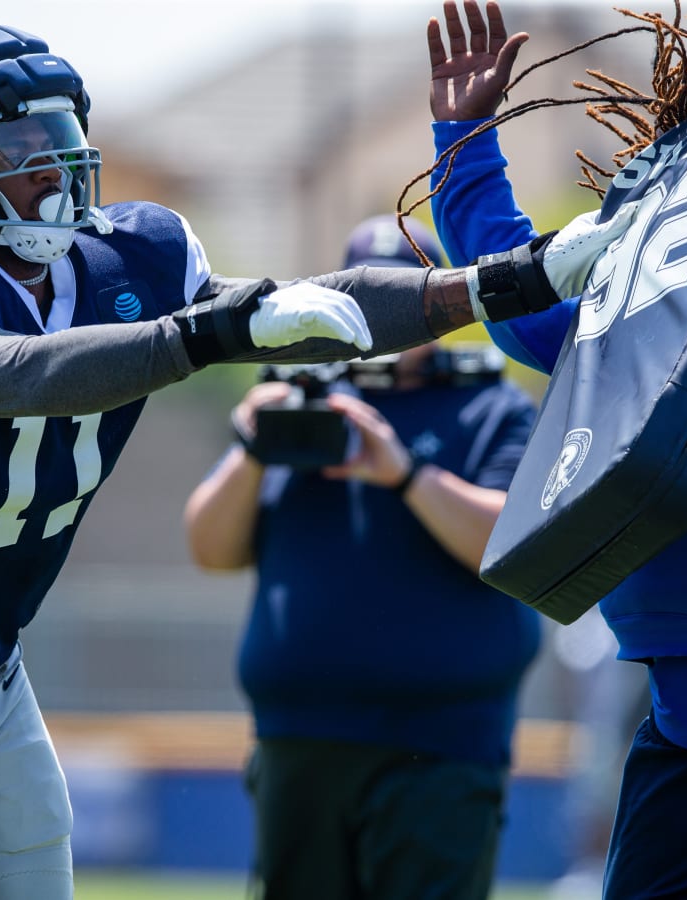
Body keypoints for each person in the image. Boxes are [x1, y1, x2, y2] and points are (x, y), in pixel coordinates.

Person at [0, 21, 633, 899]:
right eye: (23, 143)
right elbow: (20, 375)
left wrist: (512, 278)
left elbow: (320, 307)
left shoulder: (126, 257)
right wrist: (208, 331)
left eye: (65, 134)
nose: (59, 163)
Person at [425, 2, 687, 896]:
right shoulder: (675, 286)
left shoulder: (679, 282)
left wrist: (464, 139)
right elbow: (527, 304)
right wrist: (462, 136)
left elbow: (519, 302)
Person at [182, 214, 541, 900]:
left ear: (435, 308)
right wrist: (256, 447)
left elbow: (510, 543)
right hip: (299, 740)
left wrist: (404, 474)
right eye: (370, 301)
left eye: (403, 301)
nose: (386, 320)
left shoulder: (491, 408)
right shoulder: (304, 396)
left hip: (440, 747)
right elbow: (210, 548)